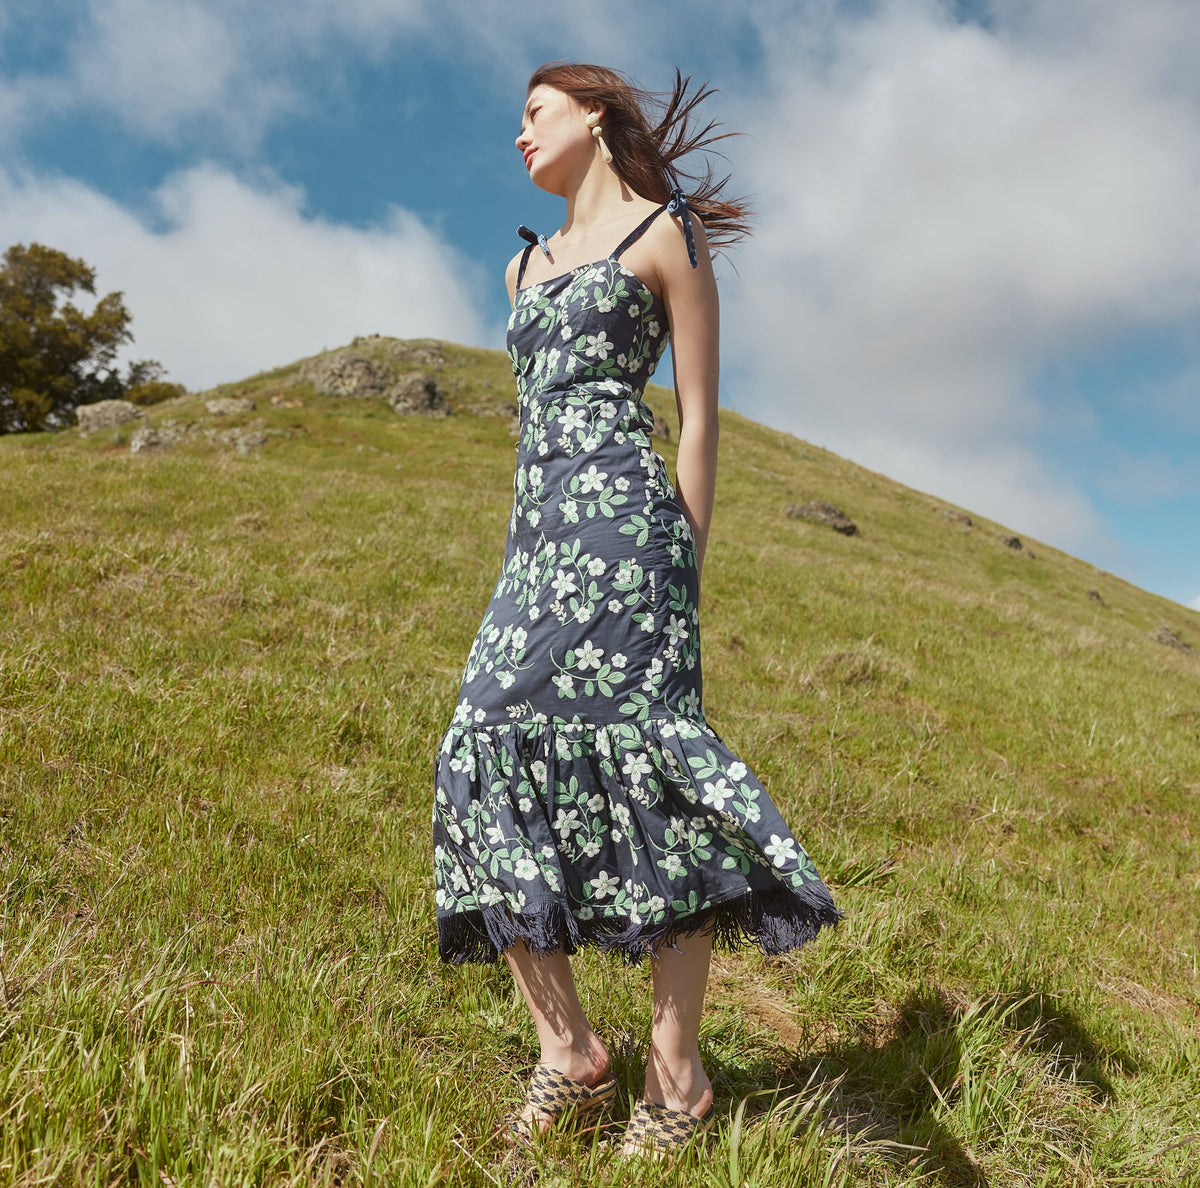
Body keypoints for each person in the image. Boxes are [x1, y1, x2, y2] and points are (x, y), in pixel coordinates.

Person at [432, 62, 840, 1157]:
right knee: (477, 743)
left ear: (593, 113)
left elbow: (699, 418)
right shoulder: (521, 269)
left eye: (533, 114)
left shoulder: (667, 236)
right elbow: (532, 427)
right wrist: (525, 545)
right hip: (539, 541)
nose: (518, 137)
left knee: (647, 764)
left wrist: (685, 566)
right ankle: (569, 1052)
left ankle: (676, 1075)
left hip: (632, 536)